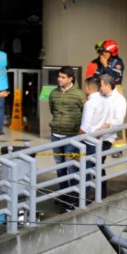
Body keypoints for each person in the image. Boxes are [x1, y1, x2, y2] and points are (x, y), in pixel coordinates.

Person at [49, 66, 85, 209]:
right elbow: (52, 110)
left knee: (71, 166)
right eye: (59, 76)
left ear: (71, 79)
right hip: (55, 133)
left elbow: (85, 112)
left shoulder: (79, 95)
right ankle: (64, 192)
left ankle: (74, 195)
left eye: (63, 77)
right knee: (59, 166)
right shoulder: (53, 93)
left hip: (72, 135)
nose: (59, 79)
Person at [97, 74, 127, 198]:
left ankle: (101, 194)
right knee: (93, 164)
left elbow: (118, 121)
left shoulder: (119, 100)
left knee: (97, 163)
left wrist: (106, 125)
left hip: (106, 137)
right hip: (95, 135)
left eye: (101, 85)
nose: (99, 87)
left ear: (108, 85)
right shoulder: (99, 96)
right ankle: (96, 192)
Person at [79, 77, 109, 200]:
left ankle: (84, 197)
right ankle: (99, 196)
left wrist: (77, 138)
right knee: (97, 168)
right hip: (99, 139)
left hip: (88, 141)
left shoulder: (90, 103)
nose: (84, 89)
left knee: (85, 170)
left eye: (85, 86)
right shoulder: (104, 101)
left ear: (89, 87)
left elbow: (85, 126)